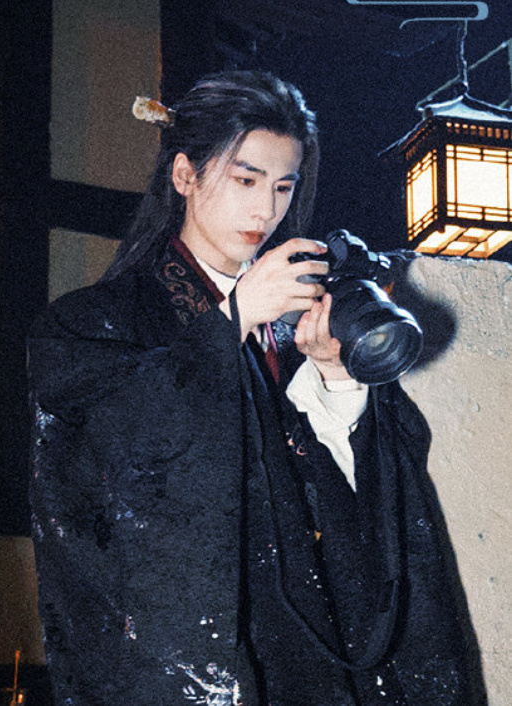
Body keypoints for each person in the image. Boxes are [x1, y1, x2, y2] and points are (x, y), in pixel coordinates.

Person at [28, 71, 477, 705]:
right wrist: (230, 321)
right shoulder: (90, 326)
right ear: (184, 175)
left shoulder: (295, 321)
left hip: (319, 666)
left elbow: (373, 508)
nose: (267, 211)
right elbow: (109, 468)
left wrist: (336, 381)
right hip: (204, 665)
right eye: (246, 180)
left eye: (283, 187)